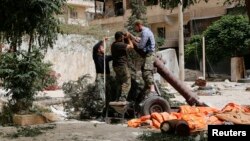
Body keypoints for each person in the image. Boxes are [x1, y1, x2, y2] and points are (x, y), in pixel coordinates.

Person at [133, 20, 156, 95]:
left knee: (146, 71)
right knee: (143, 69)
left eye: (135, 27)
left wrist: (134, 41)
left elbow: (141, 46)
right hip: (148, 54)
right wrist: (138, 39)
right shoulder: (145, 31)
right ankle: (147, 87)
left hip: (150, 54)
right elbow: (143, 41)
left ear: (139, 25)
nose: (135, 29)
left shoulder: (145, 32)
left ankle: (152, 89)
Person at [92, 38, 112, 118]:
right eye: (102, 47)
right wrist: (102, 40)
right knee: (101, 96)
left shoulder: (106, 57)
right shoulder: (96, 56)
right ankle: (99, 113)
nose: (104, 49)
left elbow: (115, 55)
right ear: (99, 50)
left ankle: (106, 112)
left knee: (108, 95)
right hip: (100, 76)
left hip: (107, 77)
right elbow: (94, 47)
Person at [111, 31, 134, 102]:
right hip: (122, 65)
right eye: (122, 37)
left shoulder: (113, 44)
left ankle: (117, 98)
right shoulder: (120, 45)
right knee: (127, 81)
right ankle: (123, 98)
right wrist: (129, 38)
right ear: (120, 37)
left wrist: (124, 38)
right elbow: (131, 47)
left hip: (115, 66)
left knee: (119, 82)